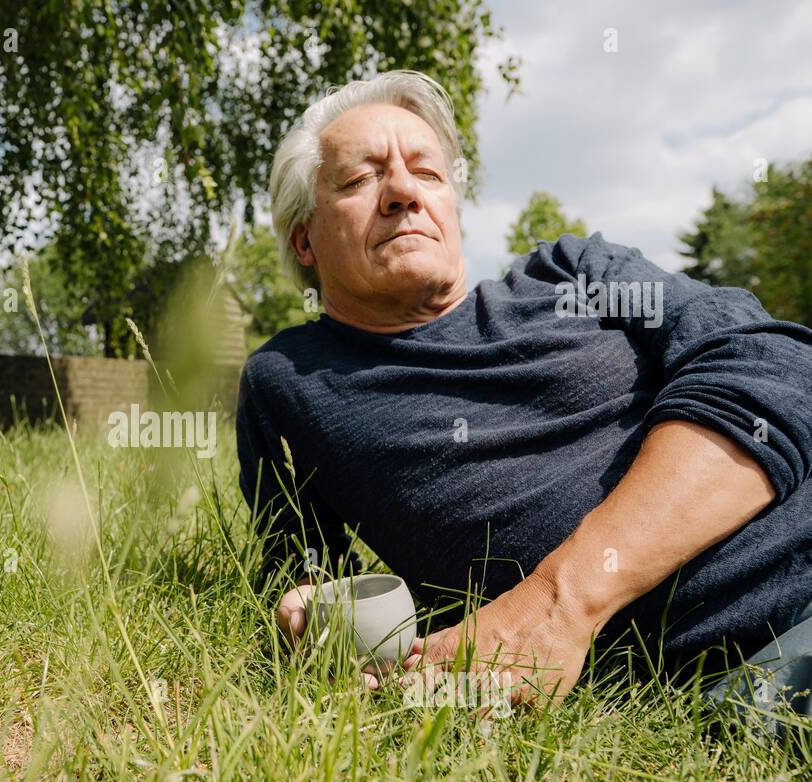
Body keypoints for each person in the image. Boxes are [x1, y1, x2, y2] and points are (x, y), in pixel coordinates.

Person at [236, 70, 812, 742]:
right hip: (745, 669)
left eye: (427, 172)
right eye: (361, 179)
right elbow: (303, 571)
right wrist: (314, 621)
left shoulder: (573, 270)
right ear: (304, 239)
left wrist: (559, 602)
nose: (402, 193)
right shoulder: (289, 381)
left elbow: (778, 362)